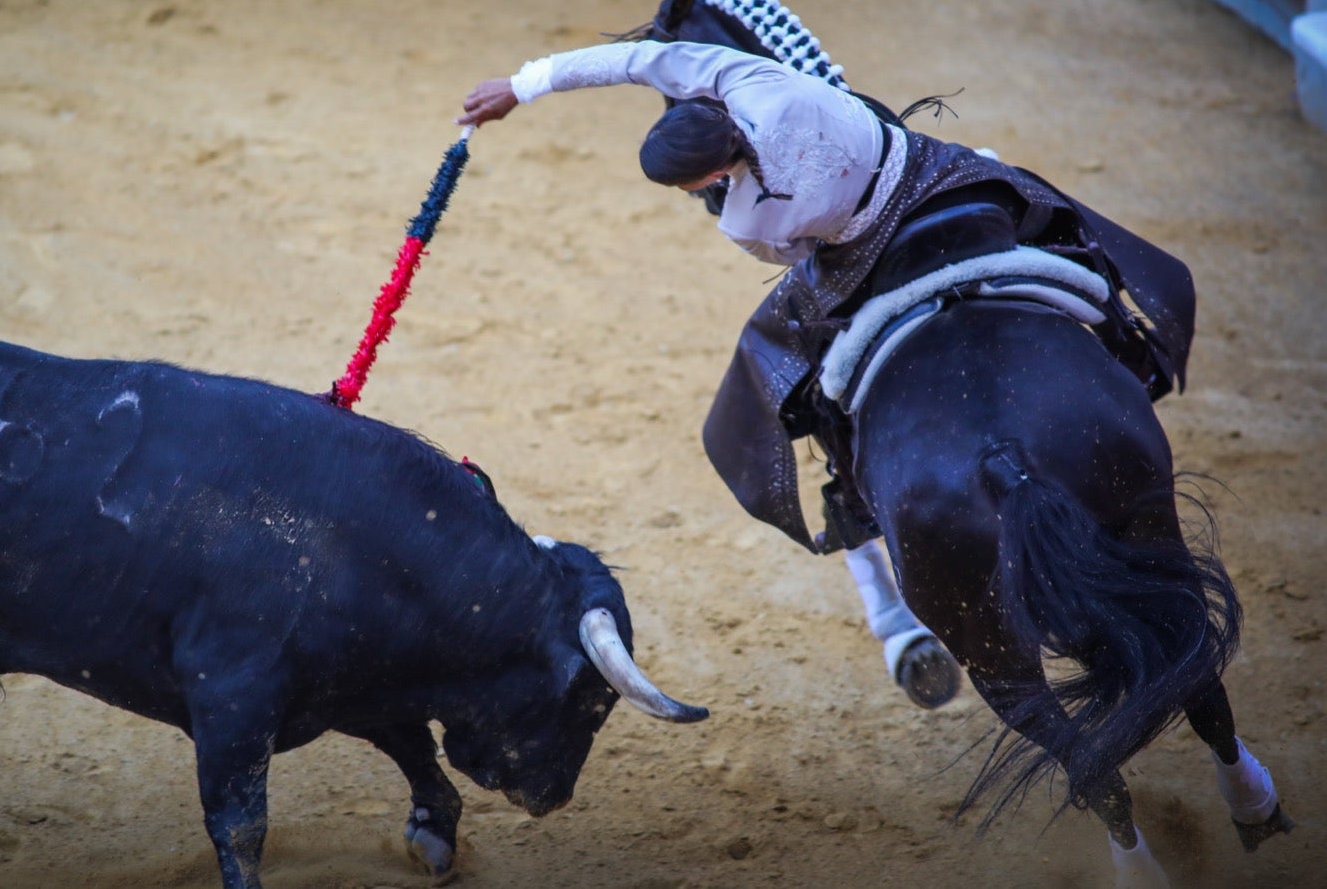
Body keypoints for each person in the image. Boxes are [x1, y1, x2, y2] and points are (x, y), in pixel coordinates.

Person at [459, 39, 1196, 710]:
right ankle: (1134, 347)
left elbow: (801, 258)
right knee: (1053, 211)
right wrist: (526, 83)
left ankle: (848, 491)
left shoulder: (746, 220)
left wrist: (524, 91)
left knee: (778, 360)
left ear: (713, 177)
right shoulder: (743, 77)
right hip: (933, 170)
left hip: (857, 248)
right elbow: (638, 57)